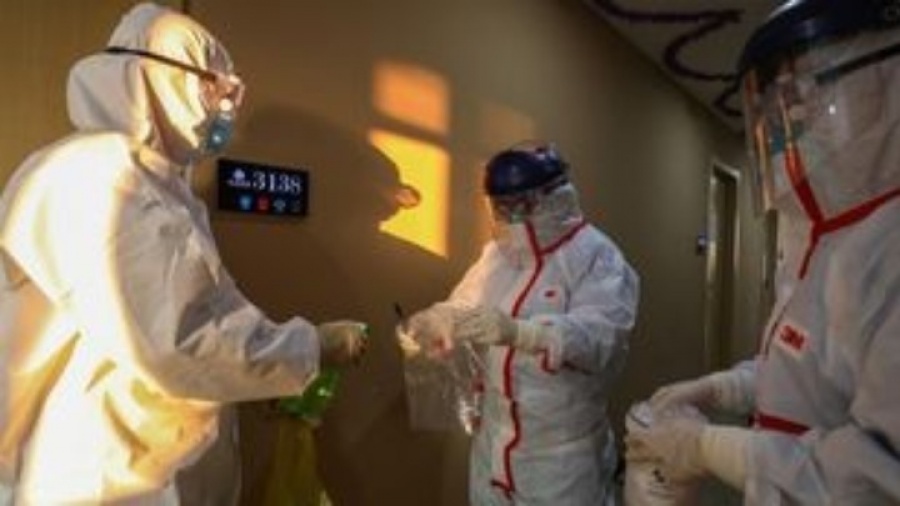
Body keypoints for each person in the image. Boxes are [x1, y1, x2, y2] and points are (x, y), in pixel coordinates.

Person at [0, 3, 367, 504]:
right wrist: (310, 347)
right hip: (102, 473)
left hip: (145, 458)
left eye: (234, 94)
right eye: (217, 88)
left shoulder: (156, 184)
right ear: (159, 78)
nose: (227, 109)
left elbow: (199, 317)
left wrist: (260, 379)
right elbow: (180, 339)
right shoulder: (101, 174)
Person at [625, 0, 900, 503]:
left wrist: (706, 447)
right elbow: (809, 373)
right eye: (779, 103)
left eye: (812, 92)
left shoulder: (886, 247)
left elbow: (876, 478)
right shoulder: (817, 241)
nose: (789, 124)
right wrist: (722, 387)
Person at [402, 141, 639, 505]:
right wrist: (437, 319)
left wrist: (523, 333)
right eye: (501, 206)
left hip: (561, 460)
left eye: (520, 204)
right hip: (492, 448)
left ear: (555, 198)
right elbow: (465, 303)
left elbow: (601, 339)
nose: (510, 217)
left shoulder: (596, 257)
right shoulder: (497, 256)